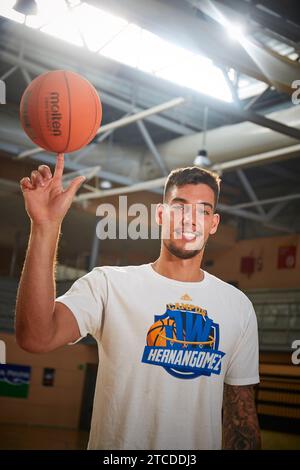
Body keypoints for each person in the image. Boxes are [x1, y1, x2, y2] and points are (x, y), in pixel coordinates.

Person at [16, 154, 261, 450]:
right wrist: (45, 226)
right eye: (179, 207)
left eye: (203, 211)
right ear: (160, 215)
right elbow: (36, 337)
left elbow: (241, 418)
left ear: (213, 223)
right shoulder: (109, 284)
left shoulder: (237, 306)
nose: (189, 219)